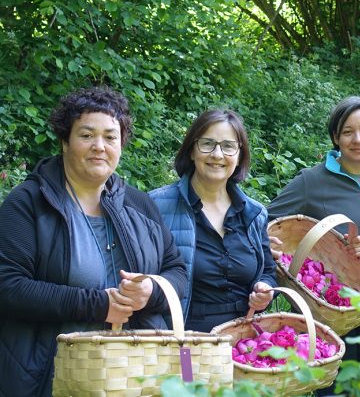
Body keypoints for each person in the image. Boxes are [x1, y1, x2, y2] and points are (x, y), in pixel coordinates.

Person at [0, 86, 188, 397]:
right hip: (52, 376)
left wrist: (150, 291)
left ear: (121, 144)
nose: (99, 146)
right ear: (65, 141)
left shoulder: (139, 204)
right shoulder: (29, 203)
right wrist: (98, 305)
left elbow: (177, 271)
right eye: (86, 135)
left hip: (135, 378)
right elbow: (7, 286)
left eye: (110, 137)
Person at [266, 96, 360, 366]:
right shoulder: (311, 182)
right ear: (335, 137)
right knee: (331, 388)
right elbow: (267, 220)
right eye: (348, 132)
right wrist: (271, 246)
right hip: (326, 309)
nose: (358, 139)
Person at [149, 110, 276, 332]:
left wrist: (266, 290)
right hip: (183, 342)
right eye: (207, 144)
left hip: (243, 343)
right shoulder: (157, 206)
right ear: (191, 151)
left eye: (228, 146)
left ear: (239, 156)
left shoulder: (254, 213)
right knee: (186, 370)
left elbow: (267, 271)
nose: (217, 154)